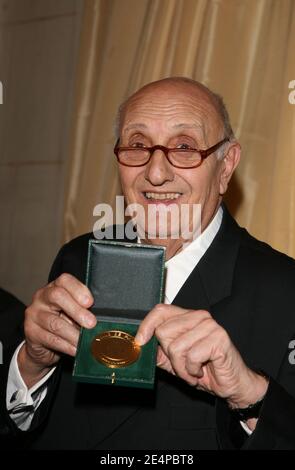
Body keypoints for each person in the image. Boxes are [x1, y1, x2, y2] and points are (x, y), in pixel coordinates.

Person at [1, 77, 295, 450]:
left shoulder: (284, 291)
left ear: (225, 166)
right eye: (137, 145)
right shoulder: (78, 258)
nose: (155, 173)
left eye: (185, 147)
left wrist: (249, 396)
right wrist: (31, 365)